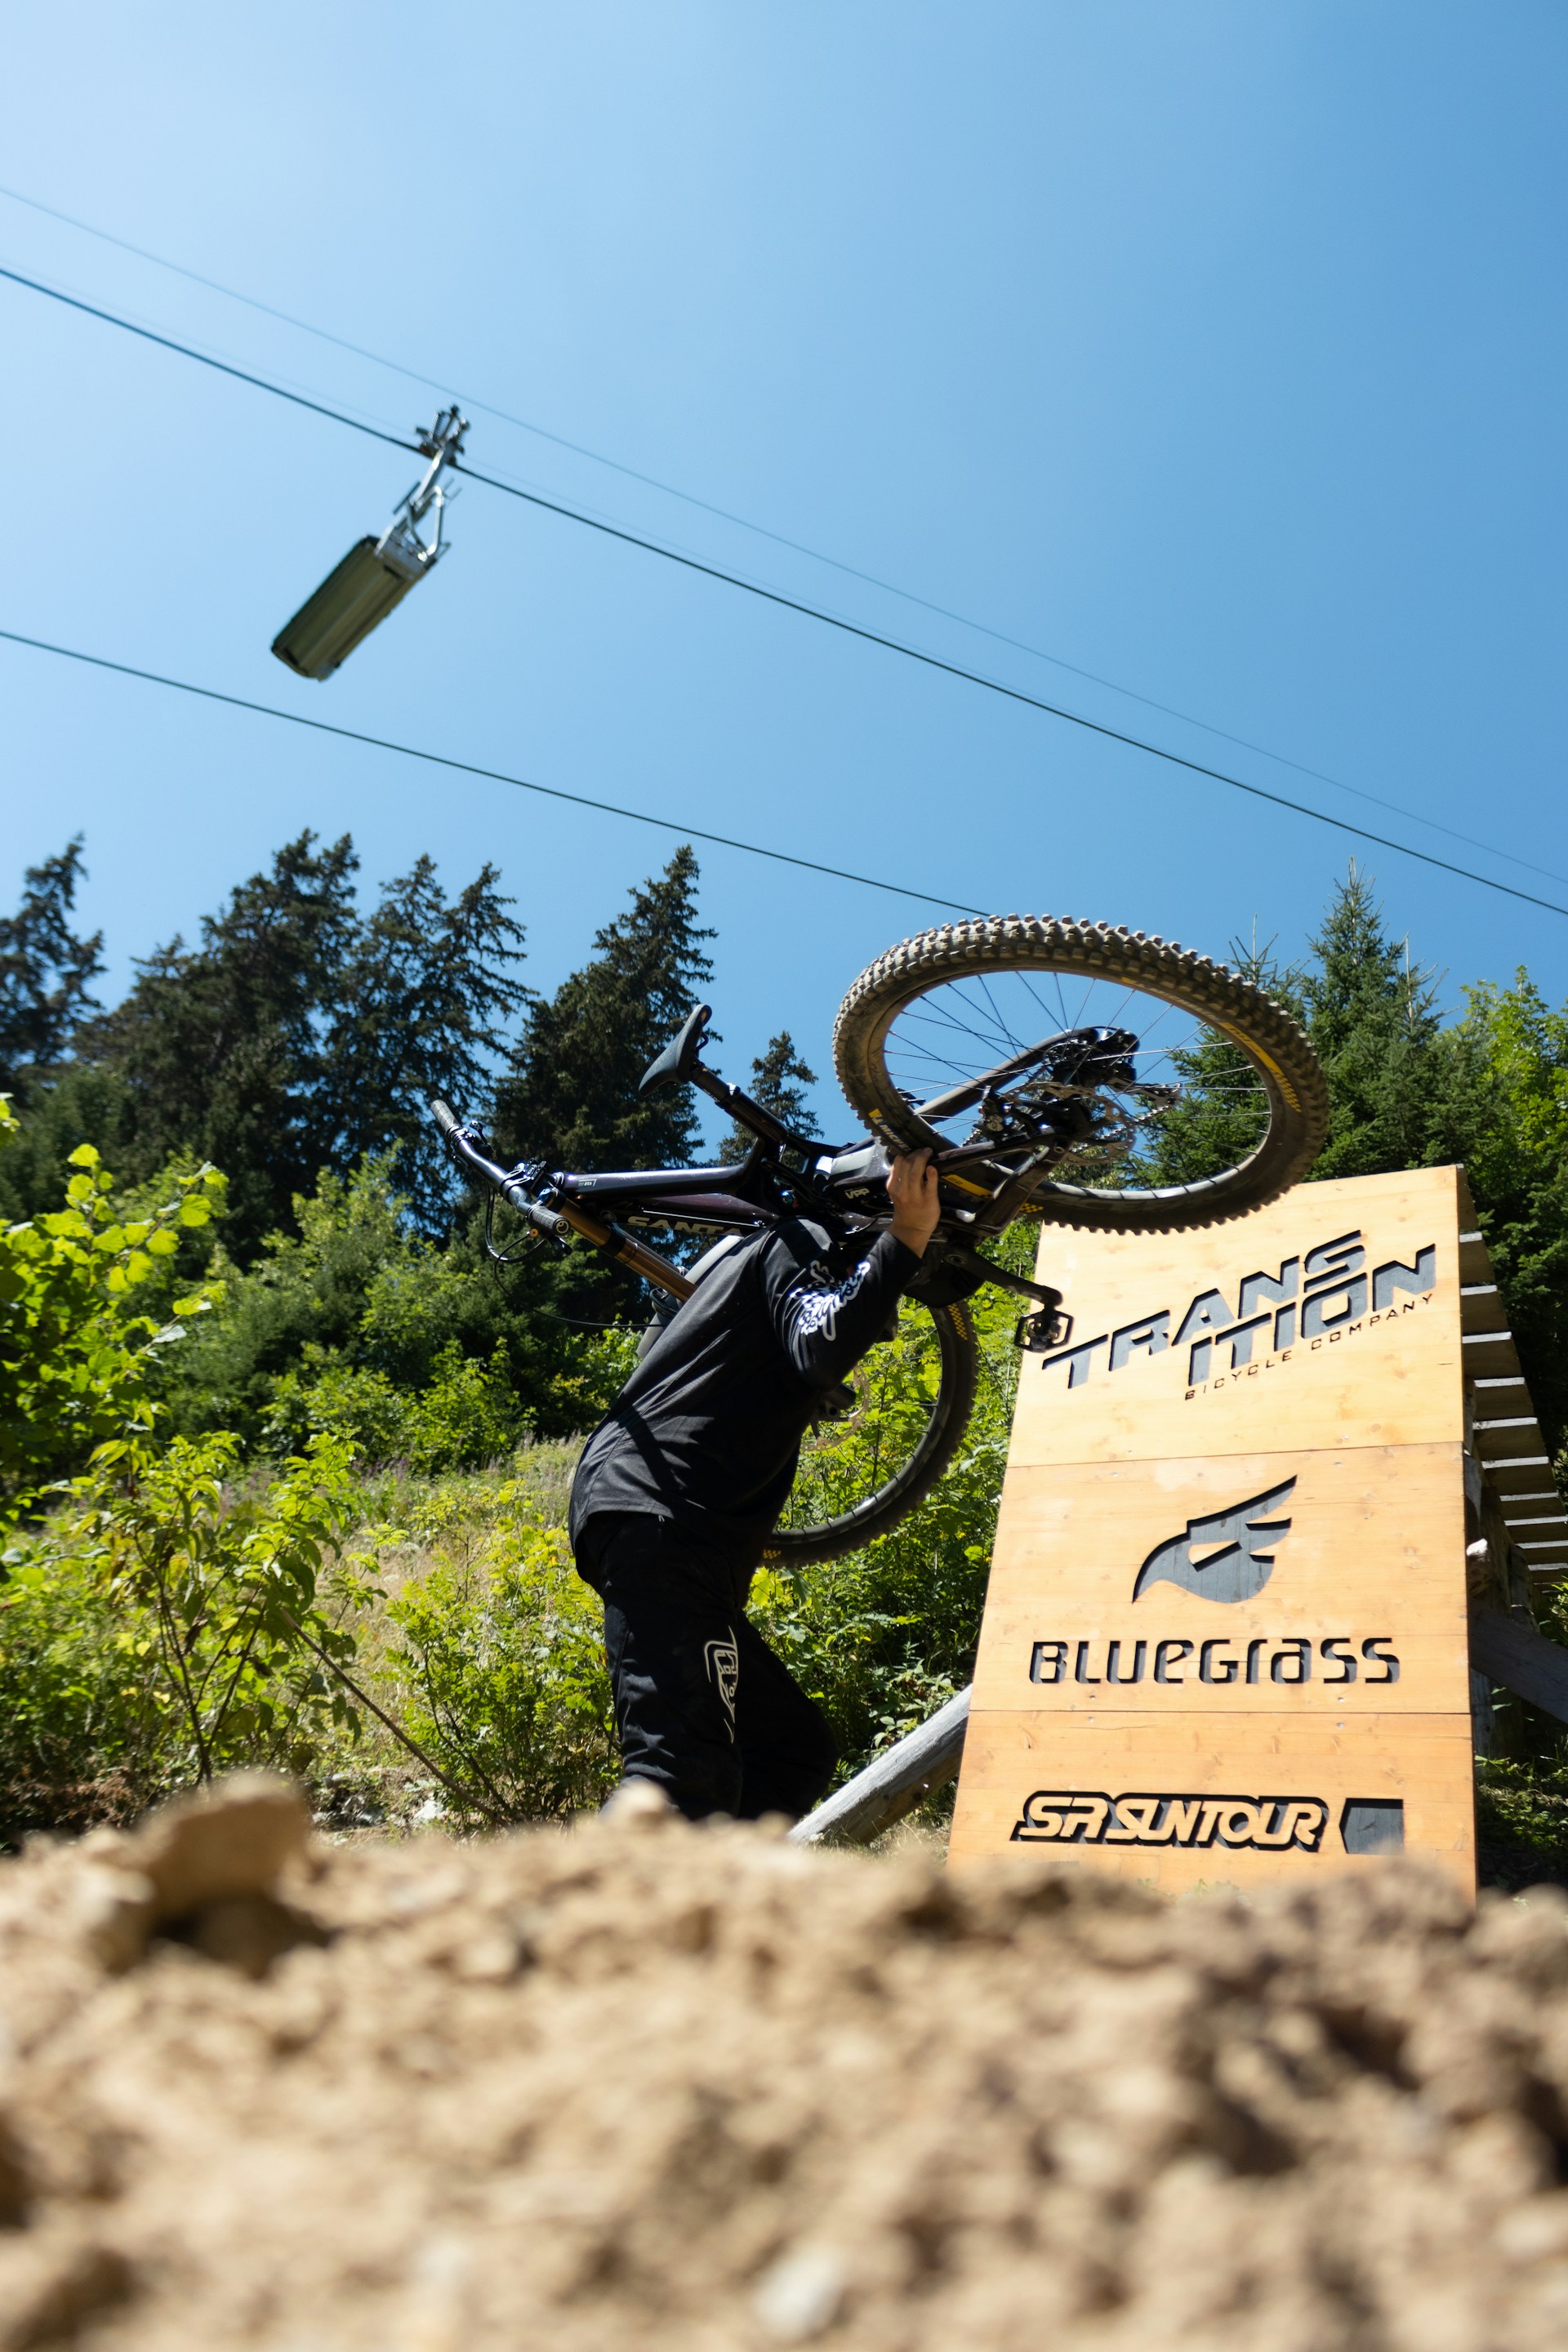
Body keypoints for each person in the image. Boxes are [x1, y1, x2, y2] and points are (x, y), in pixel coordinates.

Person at [569, 1148, 942, 1821]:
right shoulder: (799, 1241)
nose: (882, 1325)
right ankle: (584, 1919)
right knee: (677, 1780)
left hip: (671, 1528)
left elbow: (804, 1350)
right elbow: (825, 1343)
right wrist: (910, 1234)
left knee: (793, 1750)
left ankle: (719, 1911)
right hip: (665, 1516)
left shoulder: (754, 1275)